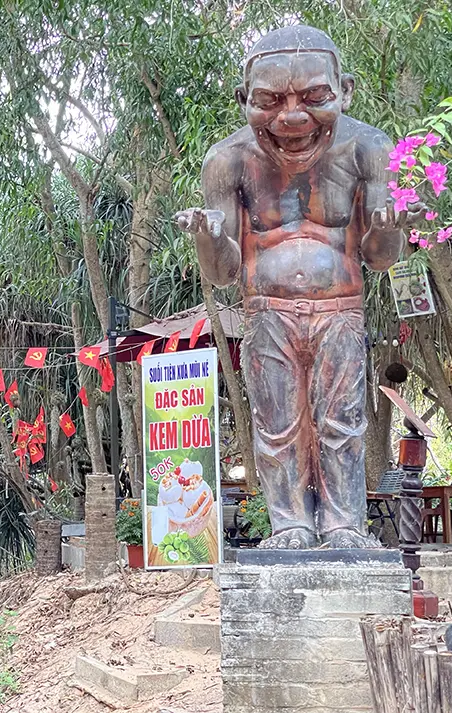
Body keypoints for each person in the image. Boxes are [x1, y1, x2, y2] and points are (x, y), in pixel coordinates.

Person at [175, 25, 423, 549]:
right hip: (267, 310)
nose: (291, 117)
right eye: (269, 101)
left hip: (341, 308)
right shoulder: (229, 160)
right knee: (277, 427)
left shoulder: (368, 148)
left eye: (314, 98)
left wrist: (388, 224)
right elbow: (222, 272)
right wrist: (205, 238)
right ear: (243, 99)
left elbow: (379, 260)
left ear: (345, 90)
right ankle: (289, 524)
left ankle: (343, 526)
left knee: (342, 422)